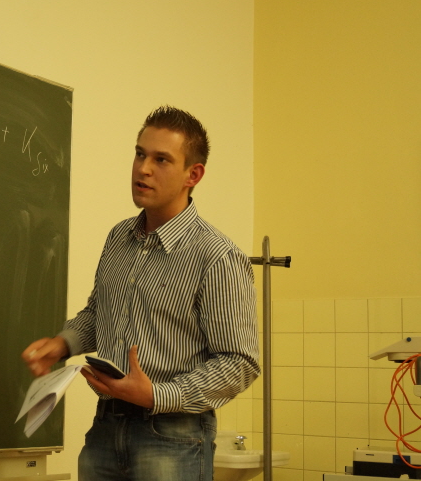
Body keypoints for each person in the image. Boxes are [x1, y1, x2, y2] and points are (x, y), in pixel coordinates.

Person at [22, 105, 260, 481]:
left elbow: (239, 362)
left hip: (174, 437)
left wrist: (156, 395)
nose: (143, 169)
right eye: (139, 154)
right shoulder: (119, 237)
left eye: (161, 159)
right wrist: (63, 343)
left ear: (193, 174)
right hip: (105, 428)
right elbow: (98, 312)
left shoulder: (216, 256)